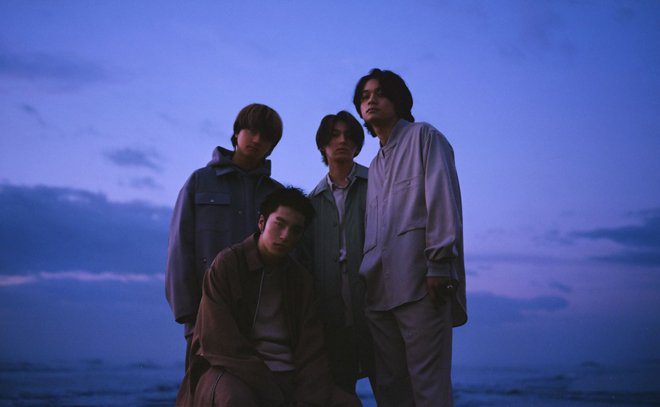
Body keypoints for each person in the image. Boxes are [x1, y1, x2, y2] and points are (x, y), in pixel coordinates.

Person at [175, 187, 362, 407]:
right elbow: (220, 341)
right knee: (235, 400)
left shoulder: (300, 279)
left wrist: (307, 399)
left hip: (290, 374)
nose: (285, 236)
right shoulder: (227, 265)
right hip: (234, 371)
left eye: (296, 230)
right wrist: (271, 390)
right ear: (262, 223)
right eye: (279, 224)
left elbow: (312, 349)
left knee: (348, 404)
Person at [353, 69, 467, 407]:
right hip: (378, 293)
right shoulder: (374, 165)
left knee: (428, 387)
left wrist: (439, 265)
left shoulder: (424, 136)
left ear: (398, 100)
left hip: (421, 285)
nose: (371, 100)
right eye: (364, 96)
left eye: (379, 93)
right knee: (390, 389)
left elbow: (442, 199)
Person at [166, 104, 283, 368]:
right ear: (236, 132)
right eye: (251, 130)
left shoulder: (277, 194)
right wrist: (189, 313)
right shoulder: (199, 181)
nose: (256, 140)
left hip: (264, 318)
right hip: (205, 313)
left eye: (265, 136)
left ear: (272, 146)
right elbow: (179, 248)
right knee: (205, 386)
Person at [295, 111, 376, 395]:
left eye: (349, 136)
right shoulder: (311, 202)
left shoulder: (378, 183)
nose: (342, 141)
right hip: (331, 313)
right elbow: (305, 262)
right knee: (340, 391)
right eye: (334, 136)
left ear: (358, 145)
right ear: (322, 145)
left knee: (392, 388)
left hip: (376, 304)